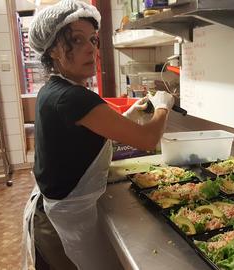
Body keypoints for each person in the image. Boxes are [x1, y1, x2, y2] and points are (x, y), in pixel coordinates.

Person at [21, 1, 175, 270]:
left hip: (57, 213)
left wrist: (128, 118)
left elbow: (85, 136)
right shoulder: (72, 97)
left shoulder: (54, 89)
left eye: (92, 40)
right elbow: (148, 139)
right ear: (53, 50)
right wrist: (163, 105)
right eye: (77, 40)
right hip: (62, 225)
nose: (91, 48)